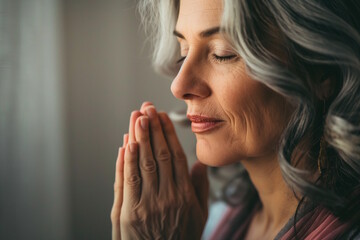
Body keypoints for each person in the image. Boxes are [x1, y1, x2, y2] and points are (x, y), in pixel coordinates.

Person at [111, 0, 360, 239]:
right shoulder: (214, 219)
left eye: (223, 54)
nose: (178, 86)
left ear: (323, 71)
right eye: (183, 51)